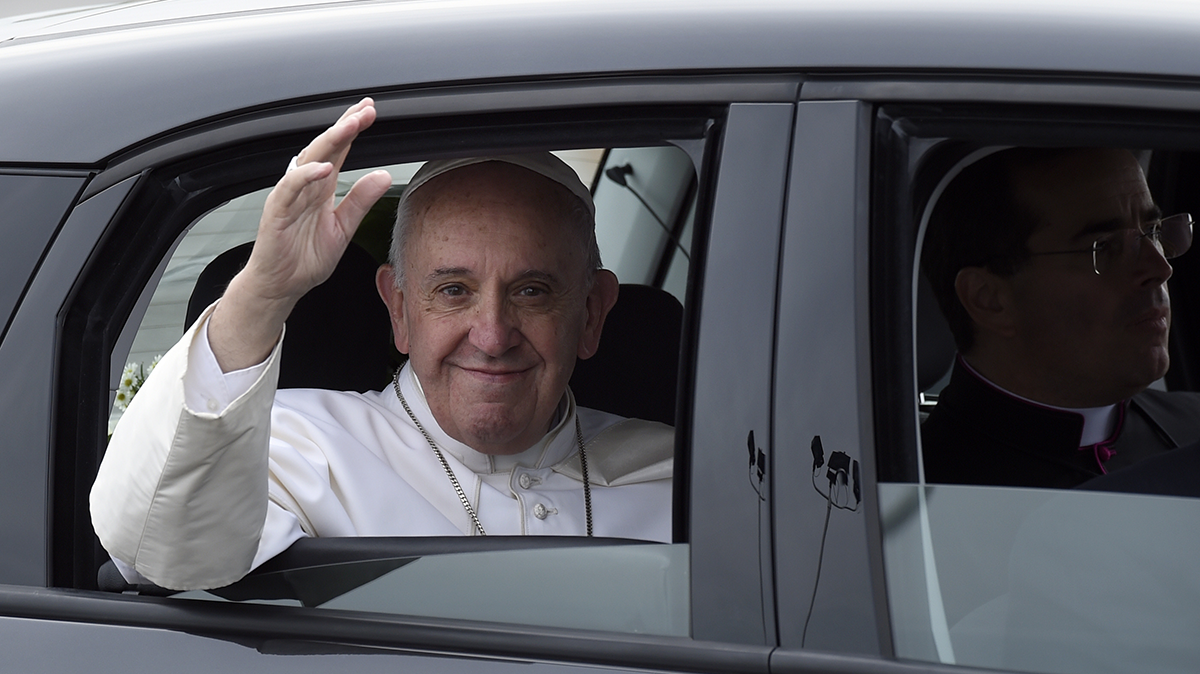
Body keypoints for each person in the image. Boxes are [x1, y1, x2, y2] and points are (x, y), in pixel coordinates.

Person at [90, 99, 674, 591]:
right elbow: (157, 548)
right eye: (452, 290)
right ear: (397, 307)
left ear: (592, 313)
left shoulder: (688, 475)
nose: (493, 335)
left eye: (531, 290)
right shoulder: (297, 449)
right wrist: (263, 298)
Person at [920, 146, 1200, 489]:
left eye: (1154, 231)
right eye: (1104, 245)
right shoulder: (917, 497)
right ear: (989, 300)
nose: (1161, 268)